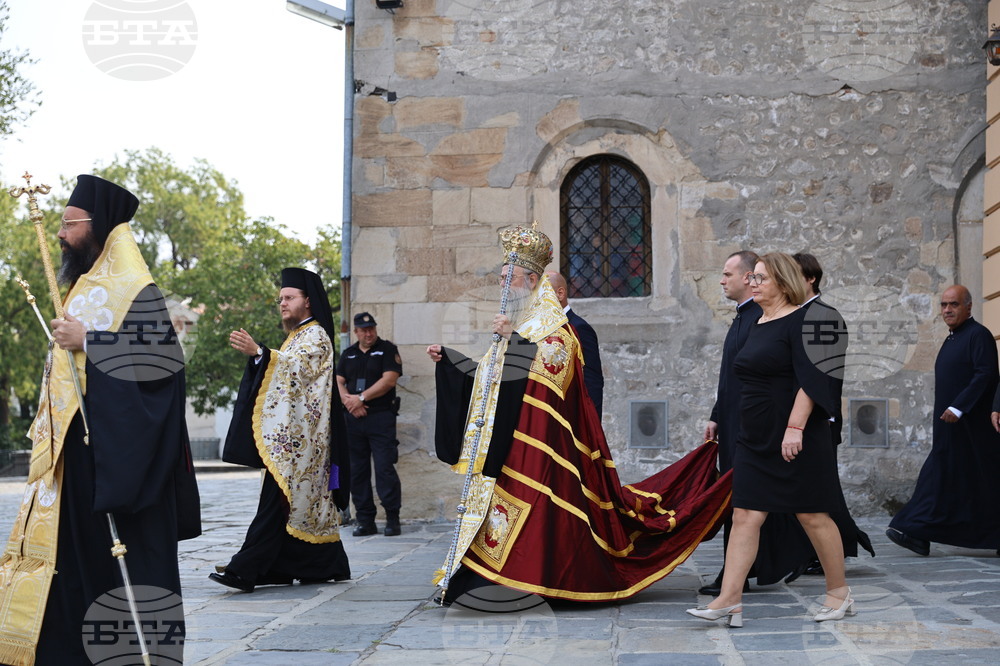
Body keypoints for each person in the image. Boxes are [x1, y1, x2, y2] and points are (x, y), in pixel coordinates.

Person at [427, 225, 731, 604]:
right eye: (502, 279)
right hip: (511, 439)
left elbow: (550, 370)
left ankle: (527, 583)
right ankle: (489, 581)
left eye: (510, 279)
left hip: (539, 443)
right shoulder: (522, 324)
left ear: (533, 280)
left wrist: (514, 340)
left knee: (535, 511)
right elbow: (498, 376)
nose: (504, 287)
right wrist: (452, 362)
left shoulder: (557, 328)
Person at [0, 175, 201, 664]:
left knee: (121, 563)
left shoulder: (136, 289)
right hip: (75, 459)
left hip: (117, 461)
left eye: (70, 224)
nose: (62, 235)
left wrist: (91, 342)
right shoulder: (84, 286)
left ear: (99, 226)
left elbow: (163, 367)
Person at [687, 252, 853, 628]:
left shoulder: (810, 318)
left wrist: (794, 428)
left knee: (812, 514)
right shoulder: (759, 321)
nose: (753, 283)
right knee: (745, 514)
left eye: (760, 277)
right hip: (754, 435)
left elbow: (813, 379)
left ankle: (838, 592)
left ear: (783, 281)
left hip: (795, 435)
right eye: (753, 277)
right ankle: (730, 599)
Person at [211, 268, 351, 592]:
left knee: (279, 504)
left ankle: (244, 568)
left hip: (306, 445)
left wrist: (260, 352)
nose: (282, 304)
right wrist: (262, 355)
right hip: (296, 441)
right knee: (294, 507)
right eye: (281, 299)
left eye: (289, 298)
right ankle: (322, 564)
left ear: (309, 303)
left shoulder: (315, 336)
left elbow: (295, 370)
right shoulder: (297, 335)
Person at [887, 285, 1000, 556]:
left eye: (954, 304)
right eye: (944, 305)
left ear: (969, 307)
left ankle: (913, 528)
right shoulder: (953, 338)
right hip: (950, 428)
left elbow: (985, 375)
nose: (947, 310)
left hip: (971, 428)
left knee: (961, 479)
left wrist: (959, 407)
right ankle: (918, 531)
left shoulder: (978, 335)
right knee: (954, 481)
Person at [782, 252, 873, 580]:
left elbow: (822, 373)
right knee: (814, 492)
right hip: (801, 419)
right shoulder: (796, 315)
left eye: (792, 275)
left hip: (818, 419)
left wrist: (817, 419)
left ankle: (840, 545)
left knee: (817, 493)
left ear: (810, 279)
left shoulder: (822, 316)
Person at [698, 250, 761, 596]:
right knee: (738, 503)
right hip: (733, 425)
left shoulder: (756, 320)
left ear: (748, 277)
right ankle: (740, 572)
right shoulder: (742, 318)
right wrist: (716, 415)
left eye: (727, 274)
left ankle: (734, 577)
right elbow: (729, 379)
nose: (721, 280)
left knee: (742, 505)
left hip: (748, 429)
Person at [337, 312, 403, 536]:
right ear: (356, 332)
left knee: (385, 468)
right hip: (354, 418)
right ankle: (365, 520)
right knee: (358, 470)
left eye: (371, 329)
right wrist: (349, 402)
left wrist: (361, 398)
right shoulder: (349, 354)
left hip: (380, 417)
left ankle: (393, 518)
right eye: (364, 330)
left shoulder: (387, 350)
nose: (368, 333)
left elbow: (389, 380)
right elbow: (338, 380)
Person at [544, 271, 604, 417]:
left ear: (560, 294)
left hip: (571, 415)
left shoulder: (579, 328)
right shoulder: (542, 329)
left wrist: (591, 422)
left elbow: (592, 381)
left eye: (543, 294)